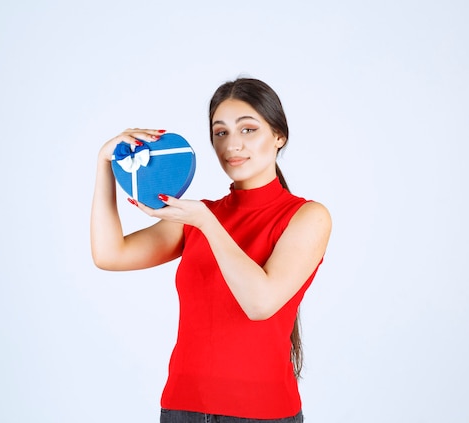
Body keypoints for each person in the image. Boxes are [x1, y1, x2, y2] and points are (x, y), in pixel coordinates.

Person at [90, 78, 331, 422]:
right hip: (182, 408)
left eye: (248, 129)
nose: (233, 144)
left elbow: (260, 303)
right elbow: (109, 255)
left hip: (262, 412)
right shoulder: (199, 215)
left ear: (279, 136)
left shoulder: (307, 217)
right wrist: (104, 165)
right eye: (221, 133)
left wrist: (207, 224)